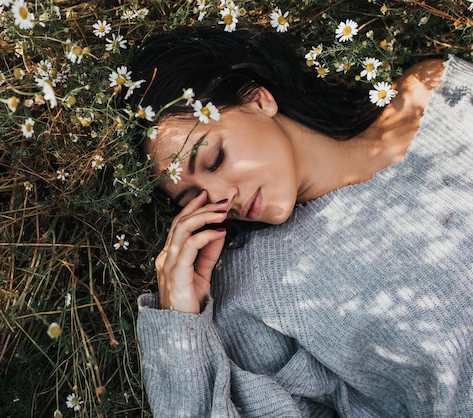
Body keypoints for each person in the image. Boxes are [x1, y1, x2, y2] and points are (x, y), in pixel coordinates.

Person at [126, 23, 473, 417]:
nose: (221, 197)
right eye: (194, 197)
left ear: (258, 100)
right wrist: (180, 326)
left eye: (215, 159)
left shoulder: (431, 93)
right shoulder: (253, 293)